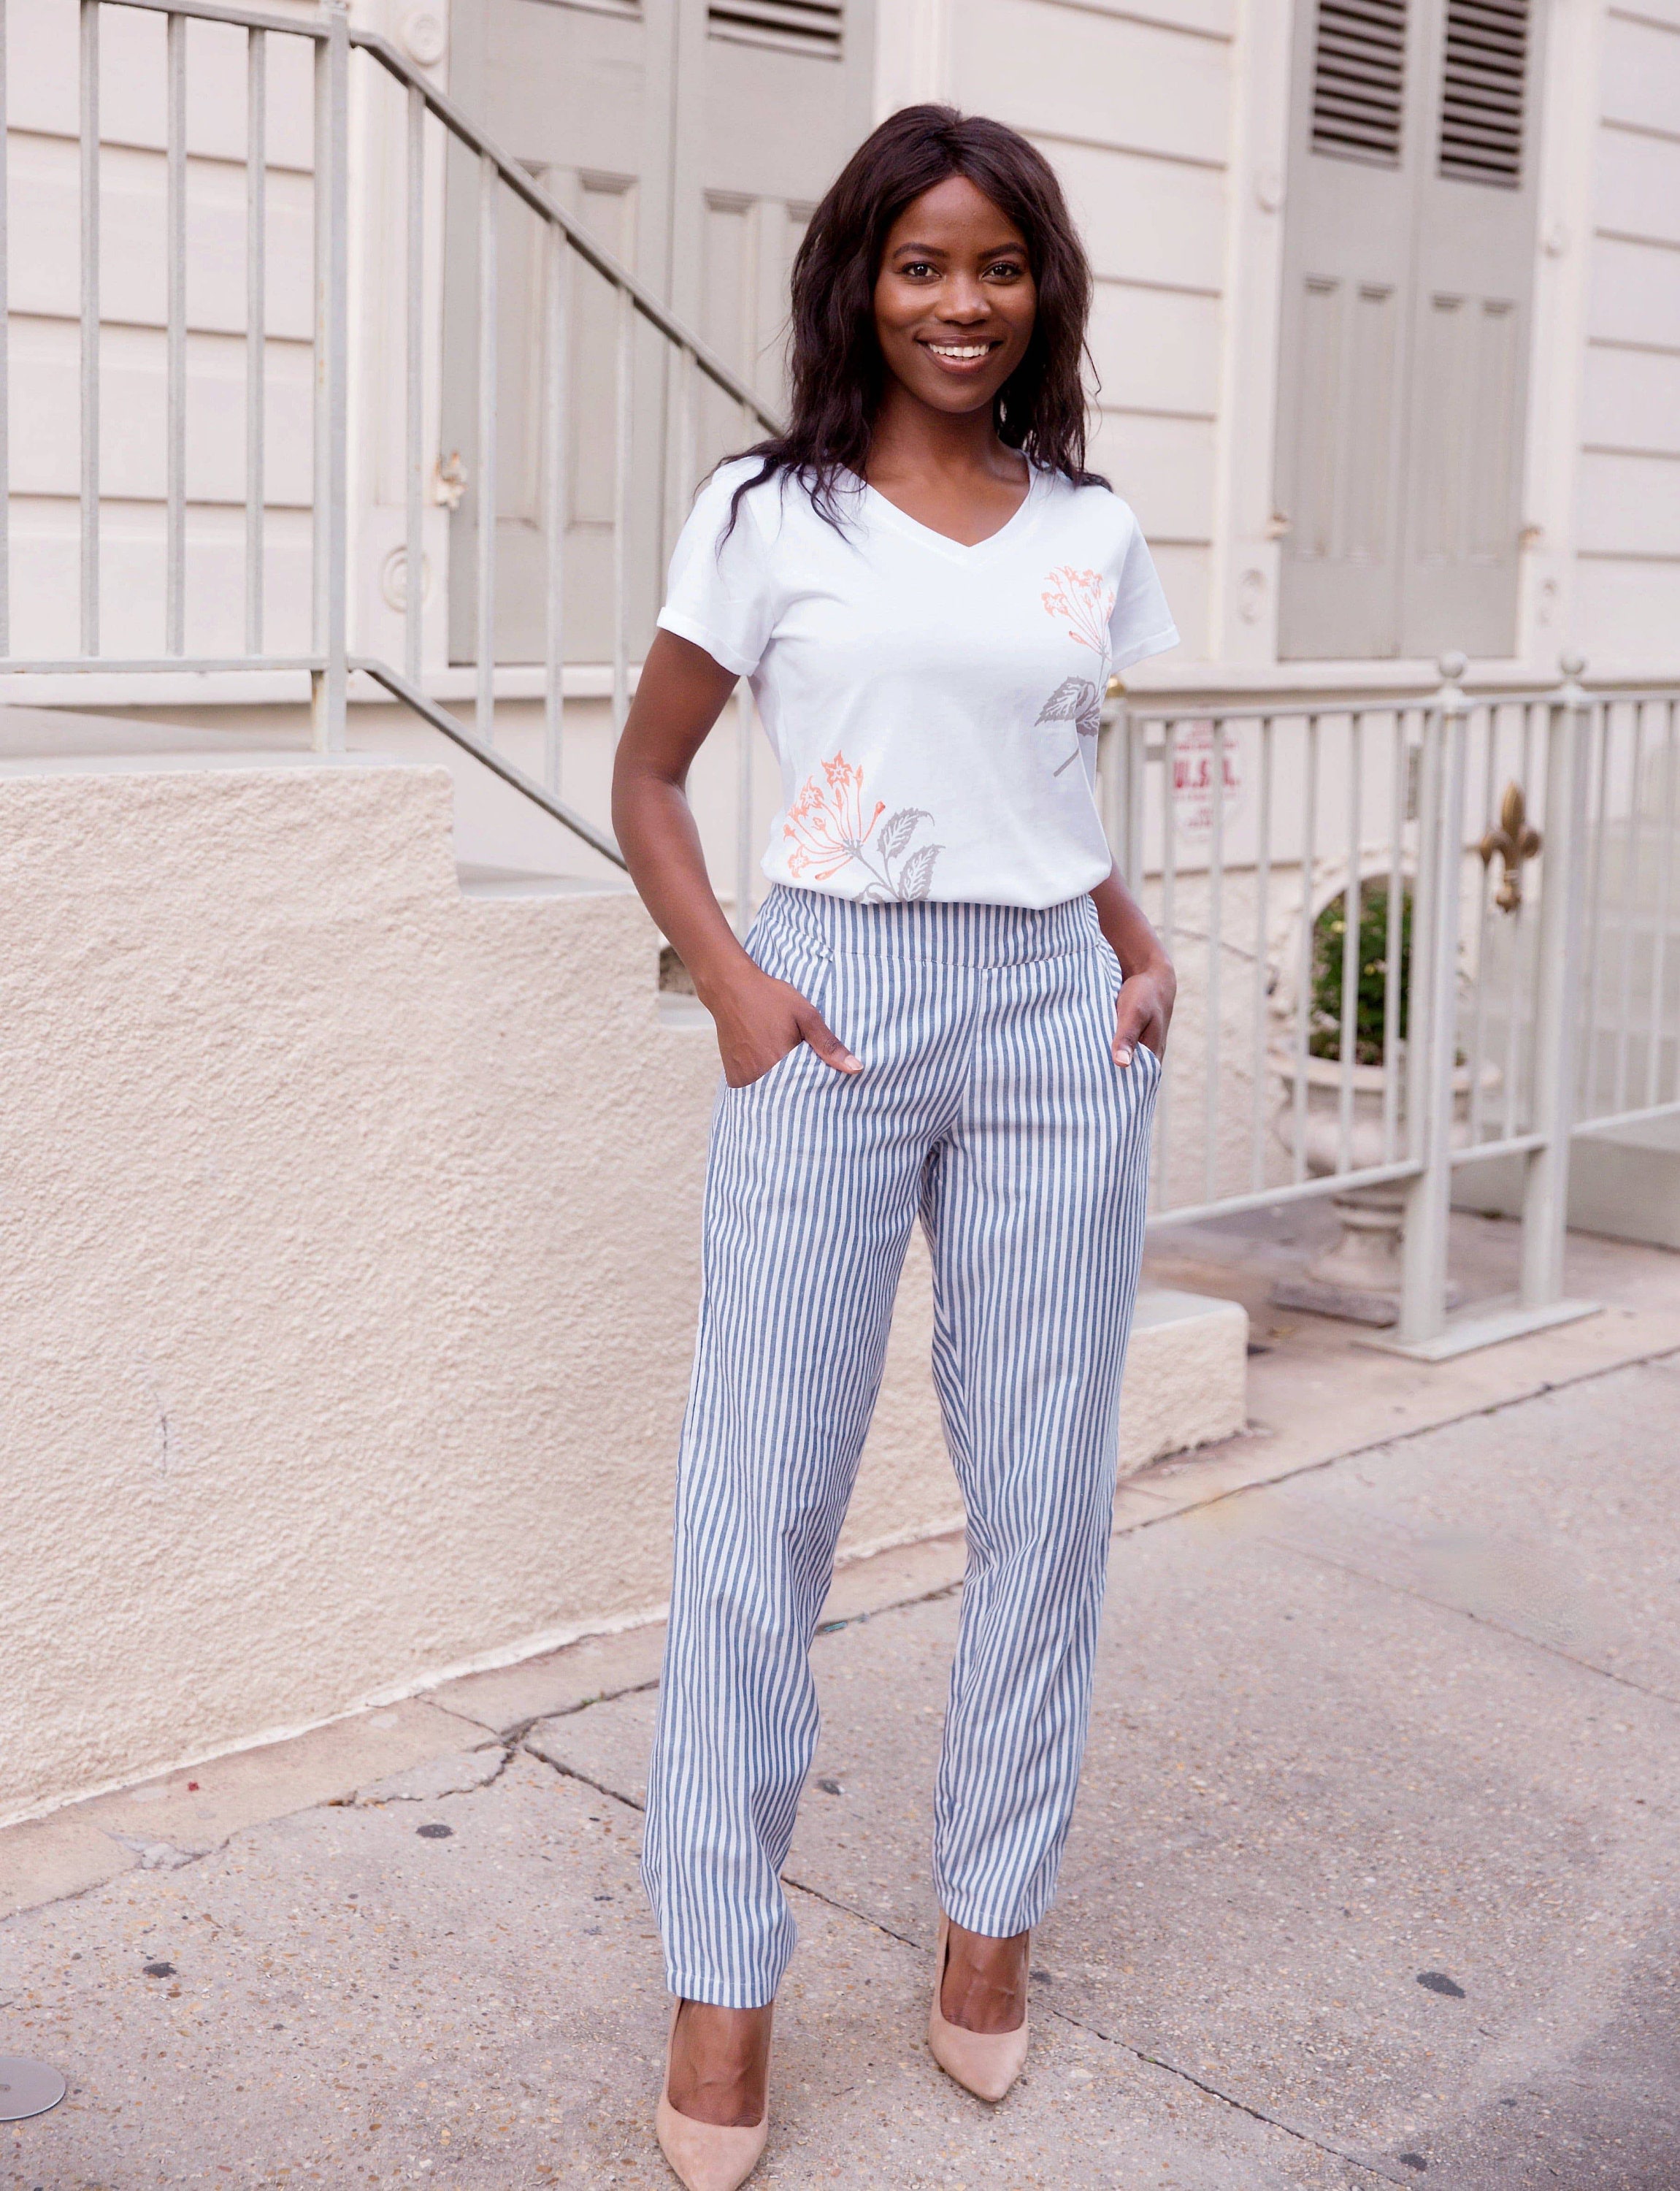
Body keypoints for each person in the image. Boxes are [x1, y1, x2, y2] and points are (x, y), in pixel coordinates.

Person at [611, 102, 1178, 2191]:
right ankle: (721, 1976)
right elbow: (654, 777)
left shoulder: (1090, 528)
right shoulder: (771, 515)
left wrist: (1132, 938)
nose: (961, 301)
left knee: (1045, 1493)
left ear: (1046, 294)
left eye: (999, 265)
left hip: (1054, 1011)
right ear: (861, 278)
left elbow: (1051, 778)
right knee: (758, 1505)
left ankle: (990, 1920)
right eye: (923, 262)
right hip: (827, 1010)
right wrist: (738, 990)